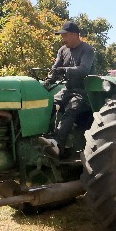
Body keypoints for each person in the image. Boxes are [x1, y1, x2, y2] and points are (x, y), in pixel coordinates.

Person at [42, 20, 95, 155]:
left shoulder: (87, 50)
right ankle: (43, 136)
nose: (63, 39)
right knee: (49, 105)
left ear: (75, 35)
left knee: (71, 109)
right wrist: (49, 79)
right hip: (68, 88)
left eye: (65, 35)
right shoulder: (62, 50)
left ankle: (57, 143)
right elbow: (55, 69)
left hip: (84, 91)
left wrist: (64, 70)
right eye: (62, 36)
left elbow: (83, 70)